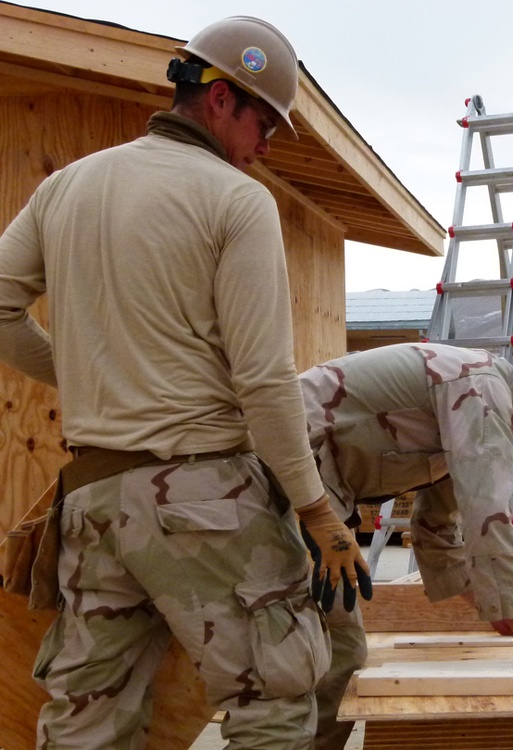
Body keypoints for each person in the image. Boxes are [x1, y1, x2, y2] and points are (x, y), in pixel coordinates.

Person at [0, 16, 365, 749]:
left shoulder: (67, 186)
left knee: (88, 721)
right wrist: (317, 511)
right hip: (207, 502)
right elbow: (264, 382)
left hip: (94, 505)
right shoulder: (235, 201)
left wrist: (87, 382)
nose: (267, 146)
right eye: (264, 121)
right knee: (276, 702)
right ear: (222, 97)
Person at [298, 323, 513, 748]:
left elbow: (436, 528)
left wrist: (495, 607)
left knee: (317, 655)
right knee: (331, 656)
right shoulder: (480, 390)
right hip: (274, 478)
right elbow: (490, 517)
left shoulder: (478, 403)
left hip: (303, 491)